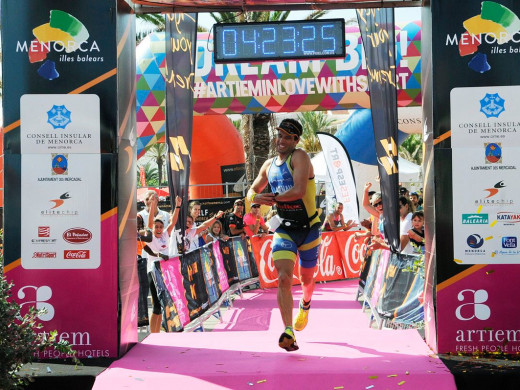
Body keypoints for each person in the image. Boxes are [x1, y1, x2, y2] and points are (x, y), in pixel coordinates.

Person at [247, 118, 321, 352]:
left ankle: (306, 304)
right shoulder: (269, 165)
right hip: (285, 229)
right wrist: (254, 198)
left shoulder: (299, 157)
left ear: (296, 140)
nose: (282, 140)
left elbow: (299, 191)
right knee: (283, 278)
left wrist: (271, 198)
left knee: (307, 281)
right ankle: (288, 330)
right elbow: (251, 191)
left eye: (288, 137)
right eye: (280, 135)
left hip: (308, 229)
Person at [144, 195, 182, 333]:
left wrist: (177, 205)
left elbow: (173, 221)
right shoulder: (151, 236)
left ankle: (158, 331)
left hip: (165, 273)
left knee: (162, 304)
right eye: (156, 227)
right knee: (156, 305)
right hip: (153, 273)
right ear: (153, 228)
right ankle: (153, 333)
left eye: (161, 227)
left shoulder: (165, 234)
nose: (159, 229)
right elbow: (149, 222)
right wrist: (153, 204)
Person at [137, 214, 153, 327]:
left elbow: (148, 249)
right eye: (136, 221)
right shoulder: (131, 232)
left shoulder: (138, 234)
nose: (137, 223)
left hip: (139, 261)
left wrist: (159, 254)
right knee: (138, 291)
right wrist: (149, 230)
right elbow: (149, 238)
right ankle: (139, 316)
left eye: (139, 221)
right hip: (131, 263)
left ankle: (144, 317)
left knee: (144, 289)